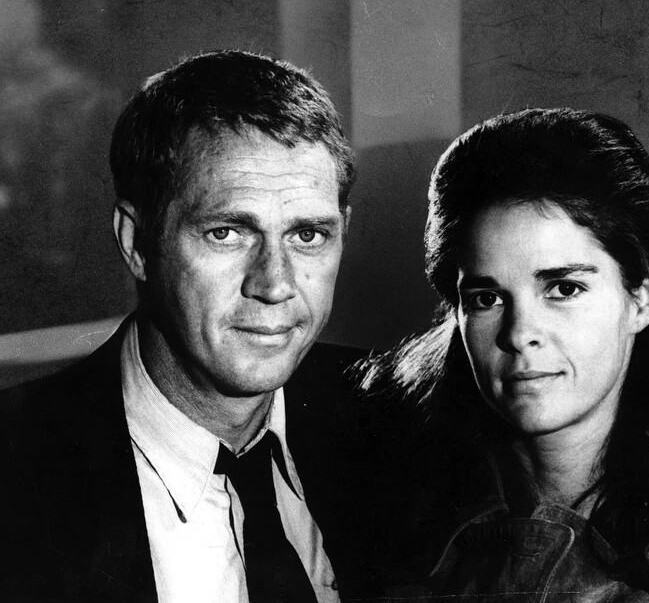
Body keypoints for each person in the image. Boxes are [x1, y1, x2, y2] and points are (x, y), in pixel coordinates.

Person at [359, 108, 649, 602]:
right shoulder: (378, 526)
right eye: (486, 298)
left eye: (563, 288)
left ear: (641, 300)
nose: (520, 334)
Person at [0, 50, 376, 603]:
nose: (275, 284)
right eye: (227, 233)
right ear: (137, 243)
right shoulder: (16, 470)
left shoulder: (395, 421)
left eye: (307, 235)